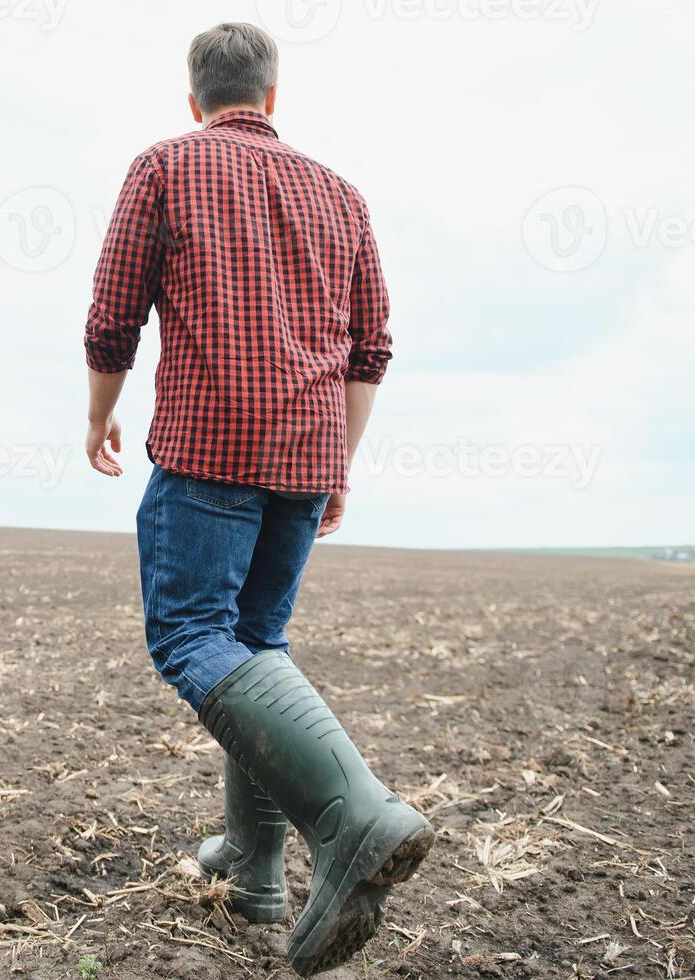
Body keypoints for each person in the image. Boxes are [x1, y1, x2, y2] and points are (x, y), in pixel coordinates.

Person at [81, 22, 433, 977]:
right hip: (307, 453)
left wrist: (98, 418)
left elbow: (112, 317)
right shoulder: (342, 194)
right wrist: (337, 463)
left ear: (195, 98)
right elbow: (371, 350)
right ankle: (253, 872)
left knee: (192, 638)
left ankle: (354, 818)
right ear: (271, 97)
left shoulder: (163, 165)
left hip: (208, 449)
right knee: (252, 645)